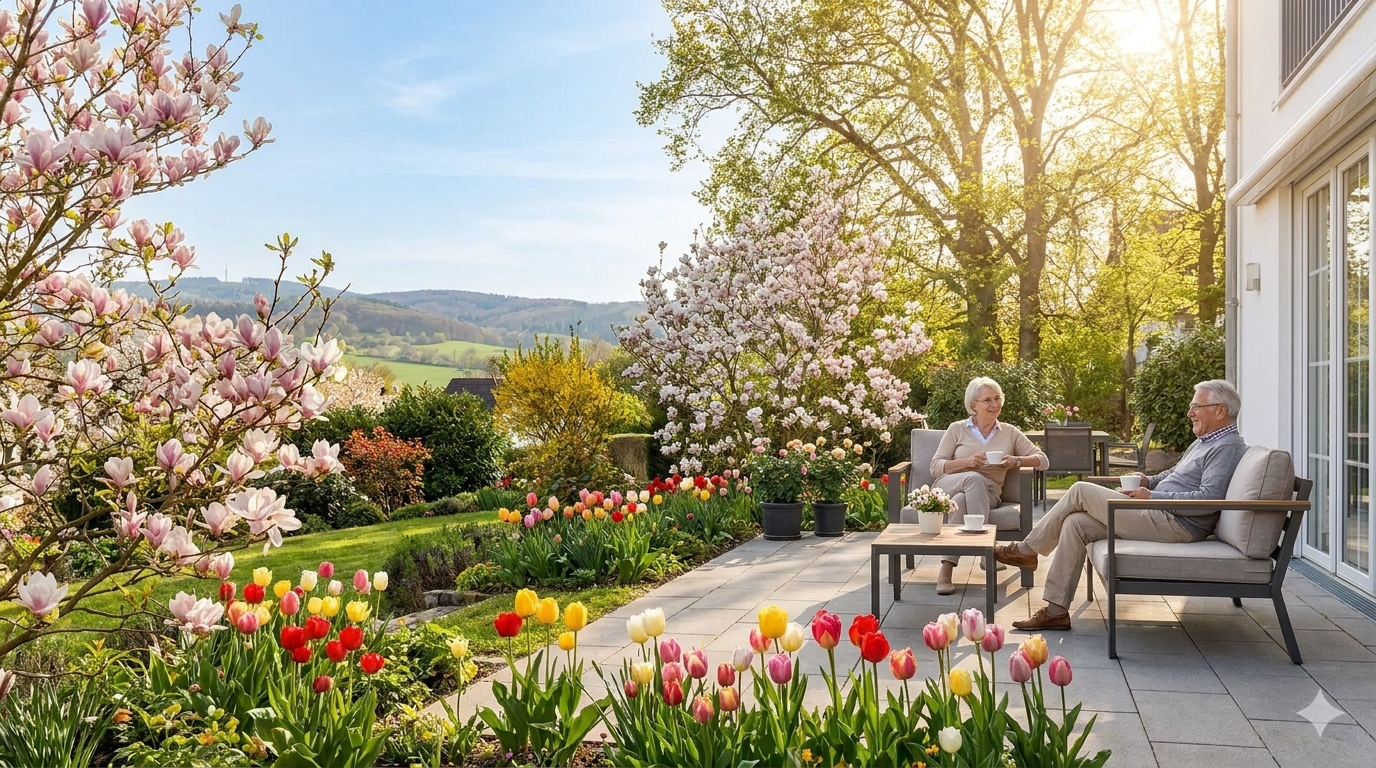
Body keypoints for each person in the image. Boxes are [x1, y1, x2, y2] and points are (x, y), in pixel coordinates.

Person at [994, 379, 1248, 631]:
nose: (1189, 413)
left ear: (1219, 410)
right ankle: (1056, 612)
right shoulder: (1205, 441)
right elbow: (1173, 474)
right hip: (1161, 513)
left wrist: (1152, 497)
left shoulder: (1226, 447)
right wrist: (1148, 480)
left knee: (1080, 490)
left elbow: (1207, 499)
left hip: (1177, 523)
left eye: (1196, 406)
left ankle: (1027, 550)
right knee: (1076, 523)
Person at [929, 377, 1048, 595]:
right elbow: (935, 467)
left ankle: (945, 572)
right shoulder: (956, 429)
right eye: (987, 400)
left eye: (997, 398)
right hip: (950, 484)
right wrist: (967, 463)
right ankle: (988, 552)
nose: (994, 404)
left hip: (989, 493)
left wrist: (1016, 461)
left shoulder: (1009, 432)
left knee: (960, 503)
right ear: (973, 405)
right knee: (971, 480)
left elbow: (1043, 460)